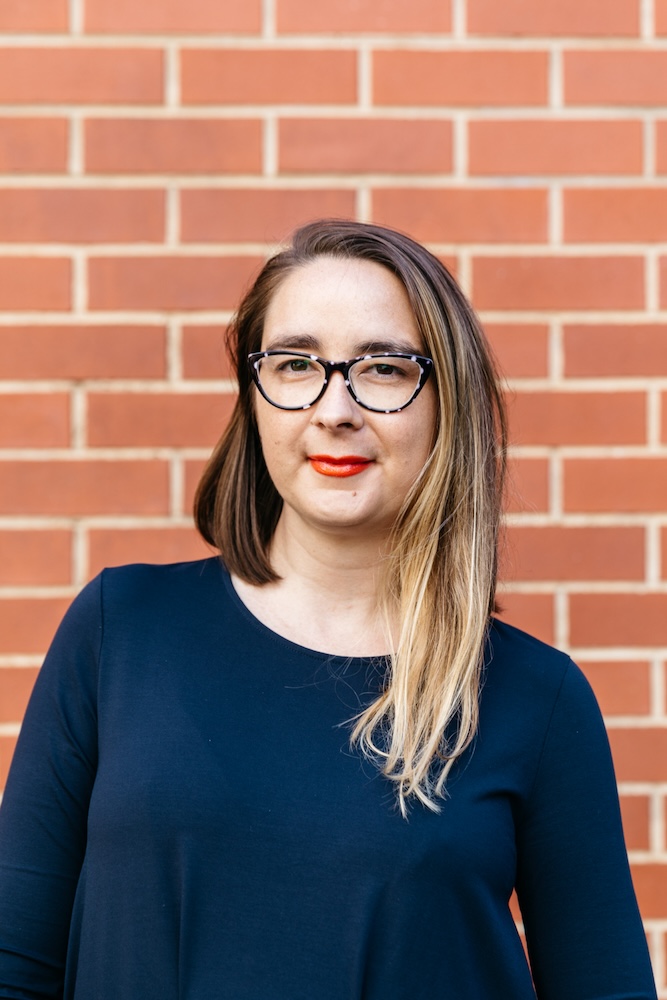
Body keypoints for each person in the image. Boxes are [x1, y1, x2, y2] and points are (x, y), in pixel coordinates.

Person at [0, 220, 657, 1000]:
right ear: (254, 394)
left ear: (446, 404)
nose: (333, 407)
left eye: (382, 368)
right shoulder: (121, 630)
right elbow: (17, 965)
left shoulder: (532, 699)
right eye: (294, 363)